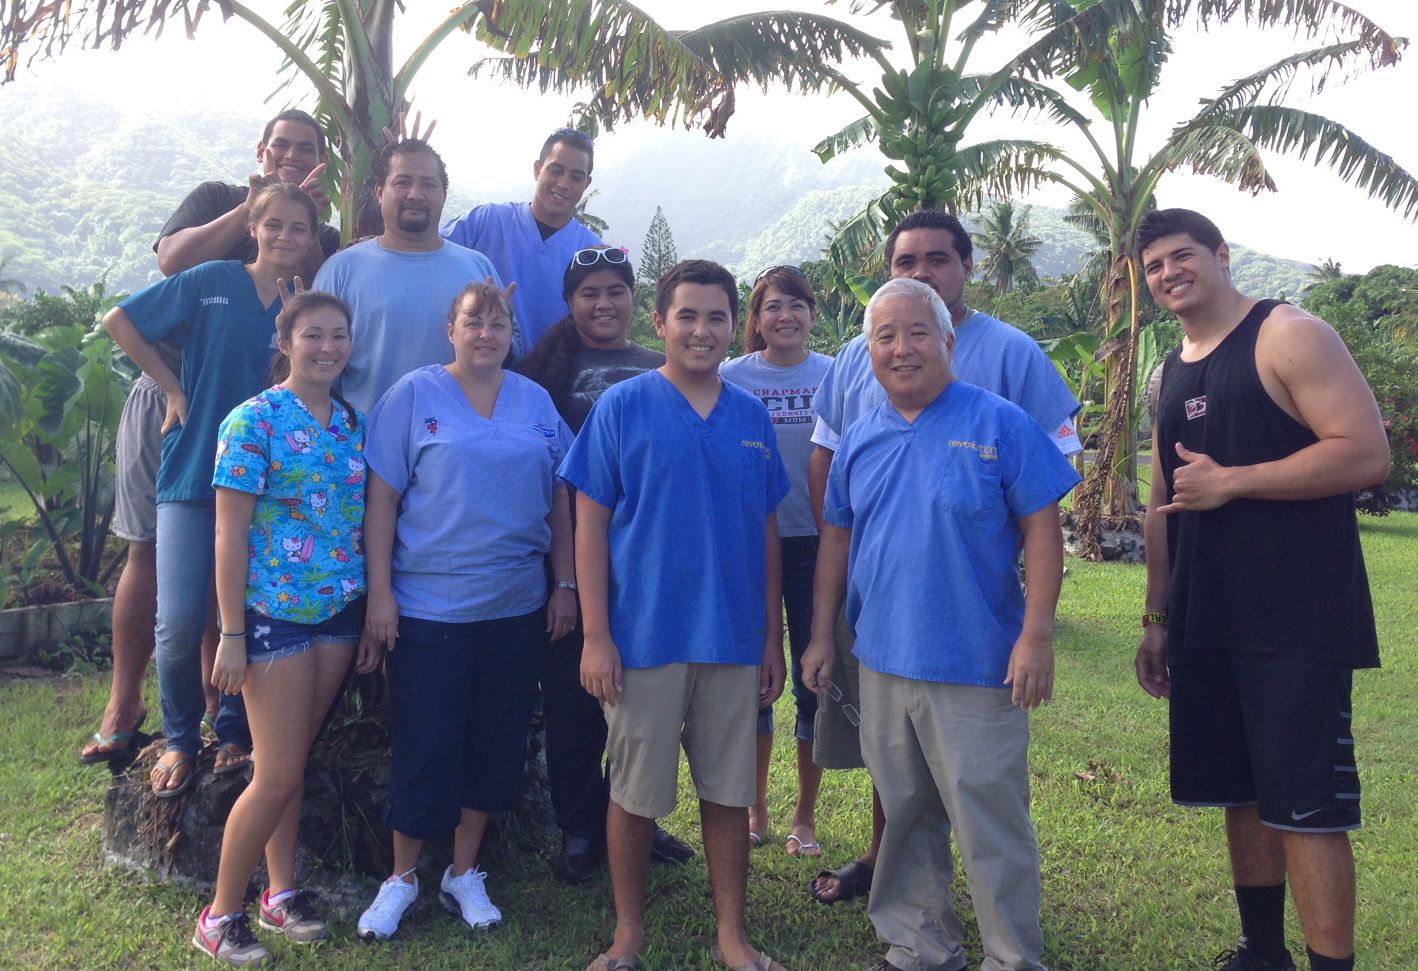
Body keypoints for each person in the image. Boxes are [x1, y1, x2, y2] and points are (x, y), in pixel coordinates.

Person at [1134, 209, 1388, 971]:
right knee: (1240, 791)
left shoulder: (1289, 334)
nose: (1170, 273)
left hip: (1295, 617)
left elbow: (1366, 451)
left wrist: (1234, 482)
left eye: (1184, 256)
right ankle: (1261, 950)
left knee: (1305, 806)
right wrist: (1156, 614)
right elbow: (1162, 501)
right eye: (1154, 267)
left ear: (1221, 253)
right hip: (1208, 614)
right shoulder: (1170, 368)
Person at [806, 209, 1081, 907]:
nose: (921, 272)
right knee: (901, 792)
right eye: (906, 261)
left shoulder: (1009, 368)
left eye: (938, 259)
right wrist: (830, 615)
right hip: (883, 624)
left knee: (984, 803)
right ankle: (911, 930)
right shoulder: (853, 363)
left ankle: (1010, 950)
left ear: (966, 271)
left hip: (975, 630)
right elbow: (833, 493)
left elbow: (1044, 503)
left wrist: (1037, 627)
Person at [81, 108, 341, 767]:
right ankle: (176, 737)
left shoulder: (302, 307)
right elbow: (122, 318)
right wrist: (172, 387)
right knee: (178, 620)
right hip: (195, 468)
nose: (284, 235)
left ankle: (232, 734)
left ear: (315, 234)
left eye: (298, 227)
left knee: (251, 617)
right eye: (272, 224)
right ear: (253, 227)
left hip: (267, 486)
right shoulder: (213, 277)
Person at [559, 260, 792, 971]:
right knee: (633, 795)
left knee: (728, 792)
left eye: (716, 316)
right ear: (658, 324)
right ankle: (629, 933)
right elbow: (589, 525)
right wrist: (596, 635)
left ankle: (733, 935)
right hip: (643, 638)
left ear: (734, 326)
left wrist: (772, 638)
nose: (701, 329)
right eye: (686, 315)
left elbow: (767, 530)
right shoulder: (622, 407)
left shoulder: (751, 417)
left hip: (730, 638)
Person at [355, 281, 576, 942]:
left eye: (498, 322)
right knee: (426, 738)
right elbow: (382, 502)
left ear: (513, 331)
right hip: (428, 606)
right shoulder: (414, 395)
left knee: (495, 736)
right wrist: (381, 595)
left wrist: (564, 584)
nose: (486, 333)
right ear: (450, 328)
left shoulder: (535, 401)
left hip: (515, 604)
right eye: (473, 321)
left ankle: (463, 870)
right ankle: (400, 878)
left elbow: (564, 498)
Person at [193, 291, 379, 967]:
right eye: (313, 335)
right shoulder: (253, 420)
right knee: (273, 773)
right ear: (287, 341)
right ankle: (219, 914)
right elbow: (229, 531)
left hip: (336, 610)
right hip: (273, 616)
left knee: (293, 761)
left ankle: (280, 891)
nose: (327, 346)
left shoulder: (351, 422)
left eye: (338, 335)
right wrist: (232, 633)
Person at [517, 246, 695, 884]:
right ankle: (579, 826)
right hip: (568, 558)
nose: (603, 304)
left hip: (650, 564)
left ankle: (635, 815)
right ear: (570, 303)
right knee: (572, 700)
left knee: (645, 699)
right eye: (589, 293)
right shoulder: (539, 375)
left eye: (615, 291)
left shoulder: (663, 368)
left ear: (634, 299)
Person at [720, 266, 833, 857]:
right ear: (754, 320)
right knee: (752, 682)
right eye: (772, 306)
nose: (785, 315)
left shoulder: (836, 375)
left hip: (818, 545)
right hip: (746, 544)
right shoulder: (729, 377)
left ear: (813, 314)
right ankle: (754, 807)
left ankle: (805, 817)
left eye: (796, 304)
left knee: (813, 679)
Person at [313, 138, 501, 412]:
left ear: (443, 195)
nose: (415, 193)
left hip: (454, 443)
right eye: (402, 182)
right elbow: (315, 366)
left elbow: (503, 355)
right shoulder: (340, 271)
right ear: (379, 191)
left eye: (428, 184)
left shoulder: (477, 269)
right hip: (360, 441)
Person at [442, 127, 603, 356]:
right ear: (538, 169)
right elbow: (424, 246)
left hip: (554, 382)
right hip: (480, 372)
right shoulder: (488, 222)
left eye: (576, 177)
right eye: (556, 170)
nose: (563, 184)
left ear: (586, 184)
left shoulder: (590, 251)